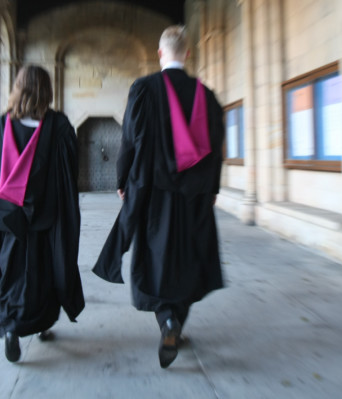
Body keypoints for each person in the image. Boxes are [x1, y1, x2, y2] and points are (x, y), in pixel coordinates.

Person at [94, 26, 225, 368]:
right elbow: (216, 149)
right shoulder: (206, 95)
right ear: (189, 54)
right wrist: (212, 188)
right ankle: (174, 321)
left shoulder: (144, 89)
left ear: (159, 53)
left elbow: (131, 140)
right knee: (189, 258)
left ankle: (166, 319)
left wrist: (123, 179)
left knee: (155, 259)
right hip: (194, 196)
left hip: (154, 195)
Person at [0, 65, 84, 363]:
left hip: (8, 220)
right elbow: (68, 175)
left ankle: (12, 328)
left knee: (11, 272)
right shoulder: (59, 126)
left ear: (18, 88)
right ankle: (41, 324)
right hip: (44, 219)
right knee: (43, 273)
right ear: (47, 91)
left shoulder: (1, 127)